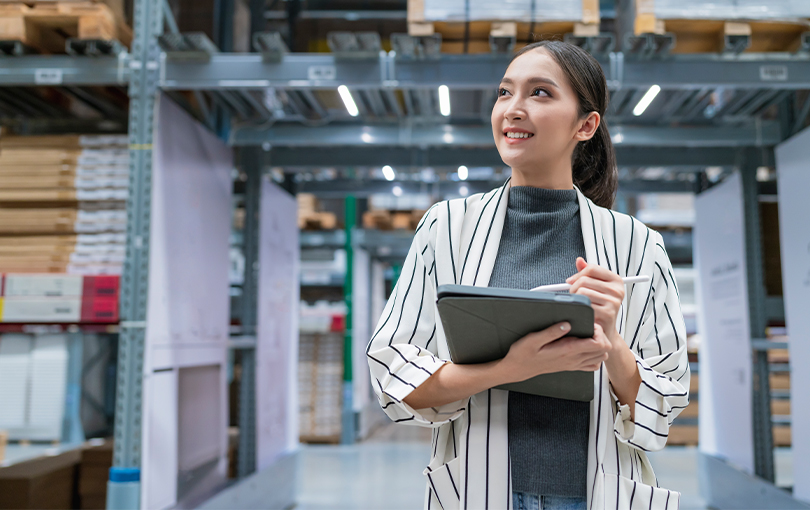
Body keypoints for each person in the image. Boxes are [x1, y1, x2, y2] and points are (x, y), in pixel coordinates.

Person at [366, 40, 690, 510]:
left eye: (540, 93)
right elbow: (394, 373)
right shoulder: (447, 228)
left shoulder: (638, 246)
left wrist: (612, 342)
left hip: (596, 494)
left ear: (586, 125)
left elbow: (665, 401)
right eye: (504, 93)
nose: (513, 110)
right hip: (480, 488)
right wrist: (512, 369)